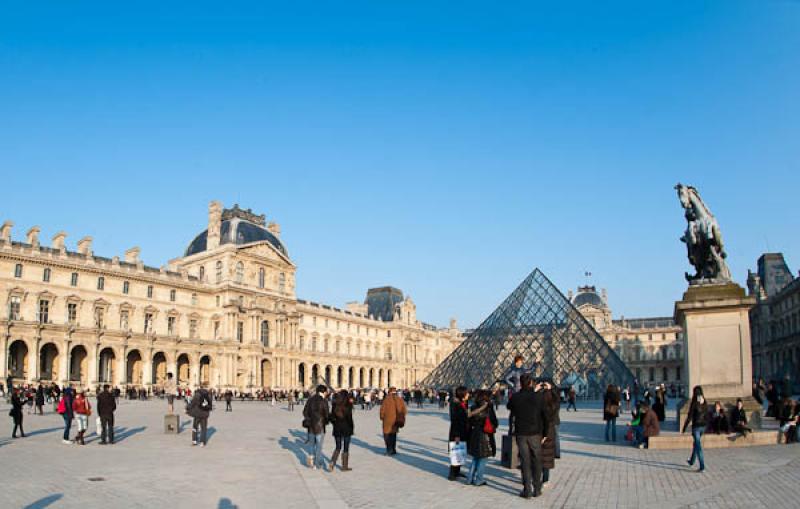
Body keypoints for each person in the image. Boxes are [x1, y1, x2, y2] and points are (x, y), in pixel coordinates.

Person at [507, 374, 549, 499]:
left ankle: (527, 490)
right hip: (535, 433)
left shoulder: (516, 397)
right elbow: (545, 416)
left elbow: (509, 406)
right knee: (537, 460)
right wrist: (545, 433)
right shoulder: (539, 397)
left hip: (521, 434)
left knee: (525, 461)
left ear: (521, 383)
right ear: (531, 383)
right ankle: (537, 488)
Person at [465, 390, 498, 487]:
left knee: (475, 457)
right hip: (485, 435)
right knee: (483, 458)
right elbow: (494, 422)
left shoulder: (473, 407)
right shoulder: (488, 408)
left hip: (475, 434)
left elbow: (469, 422)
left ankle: (469, 478)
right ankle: (479, 479)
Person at [302, 385, 330, 469]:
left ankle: (311, 459)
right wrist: (326, 421)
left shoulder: (310, 399)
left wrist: (309, 419)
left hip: (310, 426)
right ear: (324, 392)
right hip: (320, 426)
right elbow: (327, 414)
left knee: (311, 445)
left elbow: (305, 412)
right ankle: (317, 463)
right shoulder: (324, 401)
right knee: (319, 445)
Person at [682, 385, 708, 472]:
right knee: (696, 444)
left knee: (698, 446)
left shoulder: (694, 403)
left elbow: (689, 417)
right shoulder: (704, 402)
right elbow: (706, 414)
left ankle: (702, 466)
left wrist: (684, 427)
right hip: (703, 426)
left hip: (696, 427)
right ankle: (692, 461)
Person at [447, 386, 470, 481]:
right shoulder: (456, 405)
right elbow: (455, 420)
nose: (469, 394)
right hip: (457, 431)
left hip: (462, 430)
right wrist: (456, 435)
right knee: (456, 452)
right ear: (462, 394)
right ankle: (452, 474)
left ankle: (457, 471)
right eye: (467, 393)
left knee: (459, 452)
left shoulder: (462, 403)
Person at [329, 389, 354, 472]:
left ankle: (332, 462)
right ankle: (344, 466)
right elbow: (349, 418)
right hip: (346, 428)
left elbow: (331, 417)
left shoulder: (335, 405)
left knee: (338, 447)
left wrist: (335, 423)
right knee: (346, 448)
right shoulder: (348, 405)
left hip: (337, 428)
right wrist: (351, 427)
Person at [541, 382, 559, 489]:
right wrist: (551, 389)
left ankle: (537, 476)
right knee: (547, 457)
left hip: (539, 432)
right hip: (550, 432)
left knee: (539, 455)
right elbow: (557, 401)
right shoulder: (553, 407)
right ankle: (545, 479)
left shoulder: (539, 406)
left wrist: (536, 390)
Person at [379, 386, 407, 456]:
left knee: (387, 435)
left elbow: (382, 411)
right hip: (396, 421)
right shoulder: (400, 399)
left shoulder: (386, 399)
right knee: (393, 435)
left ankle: (389, 450)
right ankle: (393, 449)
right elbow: (405, 411)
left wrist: (382, 417)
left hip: (388, 421)